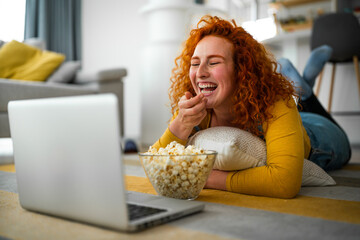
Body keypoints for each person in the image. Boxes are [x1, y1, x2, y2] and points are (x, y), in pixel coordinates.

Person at [152, 15, 351, 199]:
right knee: (297, 99)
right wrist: (180, 124)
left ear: (241, 70)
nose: (200, 73)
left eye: (213, 62)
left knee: (307, 110)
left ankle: (304, 91)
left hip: (320, 136)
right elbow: (154, 166)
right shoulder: (194, 106)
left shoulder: (275, 102)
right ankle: (301, 86)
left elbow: (284, 183)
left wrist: (207, 177)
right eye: (195, 64)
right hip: (291, 118)